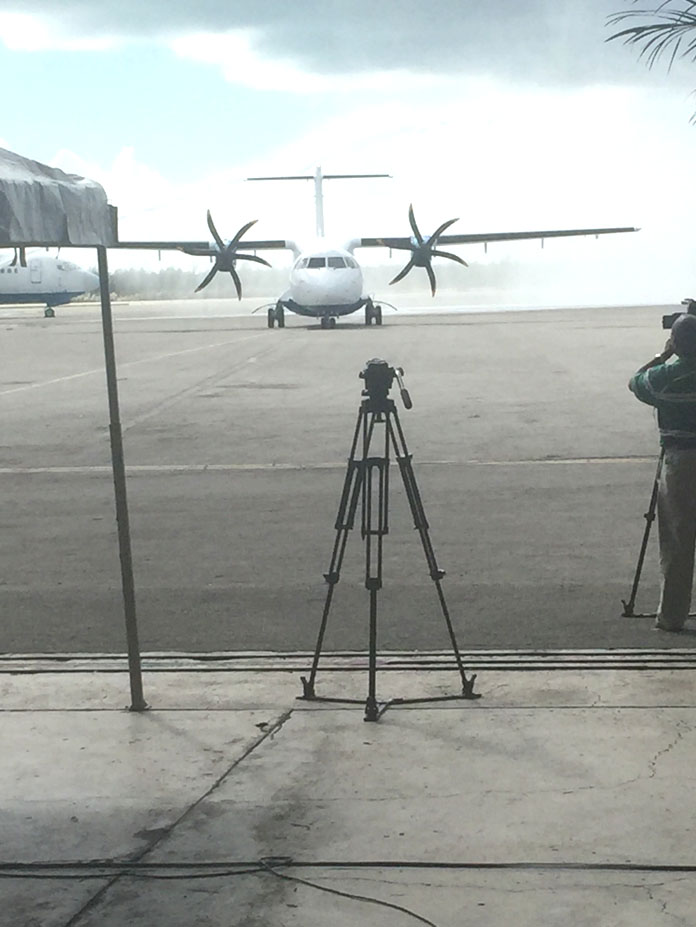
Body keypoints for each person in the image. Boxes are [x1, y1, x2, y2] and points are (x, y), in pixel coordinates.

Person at [629, 312, 696, 631]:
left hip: (680, 463)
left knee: (677, 542)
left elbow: (635, 382)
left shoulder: (664, 378)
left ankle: (671, 615)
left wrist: (664, 353)